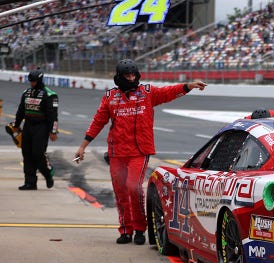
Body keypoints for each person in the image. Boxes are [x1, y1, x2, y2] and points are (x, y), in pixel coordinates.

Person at [73, 59, 207, 245]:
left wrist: (187, 86)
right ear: (119, 77)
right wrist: (83, 146)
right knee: (120, 191)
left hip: (139, 151)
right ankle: (125, 230)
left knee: (133, 187)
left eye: (133, 74)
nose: (131, 78)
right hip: (117, 152)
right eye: (127, 75)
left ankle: (139, 229)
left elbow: (167, 92)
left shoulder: (147, 93)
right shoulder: (110, 96)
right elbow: (98, 121)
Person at [12, 68, 58, 190]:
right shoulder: (26, 93)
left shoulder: (50, 95)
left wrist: (53, 132)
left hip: (41, 127)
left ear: (40, 80)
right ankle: (30, 182)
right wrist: (16, 125)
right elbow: (21, 111)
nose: (32, 83)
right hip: (28, 126)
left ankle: (48, 174)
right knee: (26, 153)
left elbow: (53, 117)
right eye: (30, 81)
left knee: (37, 153)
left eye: (34, 81)